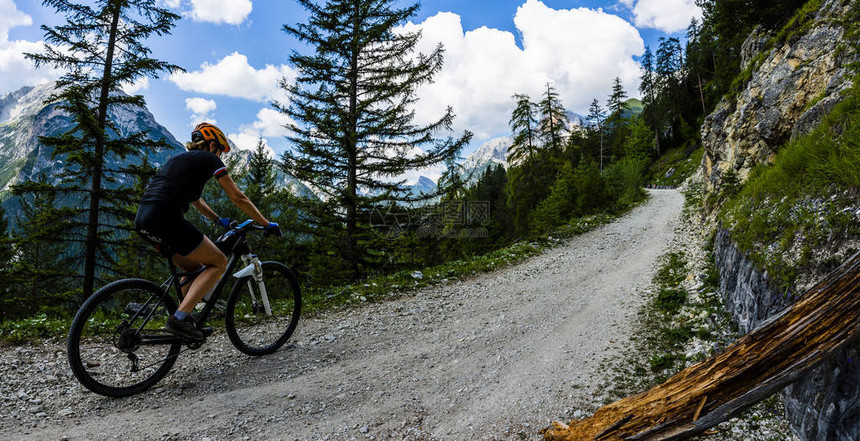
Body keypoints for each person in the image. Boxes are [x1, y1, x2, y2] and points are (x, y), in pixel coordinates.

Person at [135, 122, 280, 340]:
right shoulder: (210, 159)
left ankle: (184, 320)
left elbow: (196, 201)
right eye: (221, 150)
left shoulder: (179, 161)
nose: (221, 155)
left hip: (144, 220)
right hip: (166, 218)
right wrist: (266, 222)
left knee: (192, 267)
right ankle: (179, 319)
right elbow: (238, 197)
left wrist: (218, 219)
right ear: (212, 145)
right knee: (219, 261)